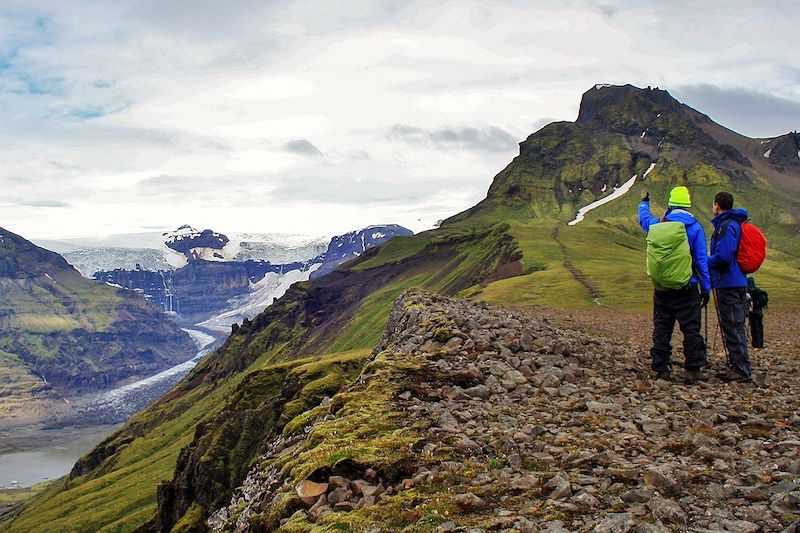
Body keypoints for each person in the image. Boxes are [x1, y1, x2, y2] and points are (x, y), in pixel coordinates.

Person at [639, 186, 711, 384]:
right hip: (688, 286)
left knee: (662, 327)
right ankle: (693, 369)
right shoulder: (694, 227)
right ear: (688, 205)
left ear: (670, 204)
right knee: (691, 328)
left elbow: (644, 219)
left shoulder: (658, 224)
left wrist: (644, 203)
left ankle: (661, 368)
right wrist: (706, 288)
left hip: (662, 287)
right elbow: (701, 259)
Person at [709, 191, 752, 382]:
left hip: (729, 283)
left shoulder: (726, 226)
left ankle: (741, 369)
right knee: (733, 324)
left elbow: (724, 255)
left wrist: (705, 261)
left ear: (717, 205)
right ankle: (737, 365)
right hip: (736, 281)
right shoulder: (734, 224)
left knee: (733, 325)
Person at [746, 276, 767, 349]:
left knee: (754, 328)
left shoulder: (748, 292)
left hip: (752, 312)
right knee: (759, 327)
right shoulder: (758, 291)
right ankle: (760, 344)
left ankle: (756, 344)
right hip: (759, 312)